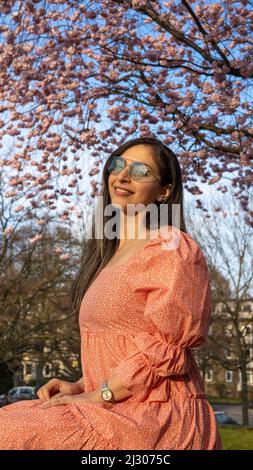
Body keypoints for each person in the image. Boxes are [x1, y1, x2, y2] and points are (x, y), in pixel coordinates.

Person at [0, 136, 222, 450]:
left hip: (156, 416)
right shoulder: (107, 256)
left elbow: (167, 350)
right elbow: (120, 345)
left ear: (165, 191)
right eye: (118, 165)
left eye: (141, 171)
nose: (123, 175)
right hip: (113, 403)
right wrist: (80, 385)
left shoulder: (171, 248)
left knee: (10, 432)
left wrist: (102, 394)